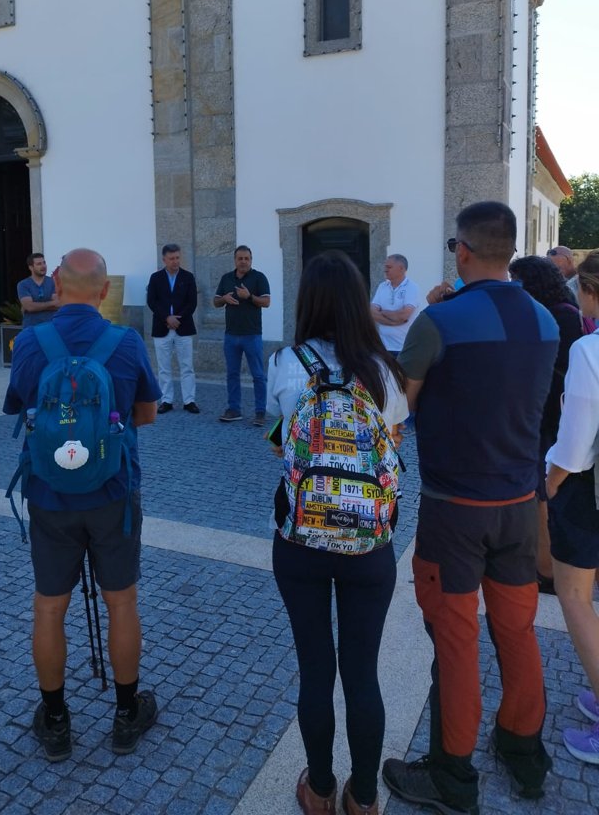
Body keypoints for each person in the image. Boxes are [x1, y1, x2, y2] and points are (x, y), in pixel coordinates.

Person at [383, 202, 559, 813]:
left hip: (455, 508)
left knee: (456, 639)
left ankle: (452, 776)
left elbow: (398, 406)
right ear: (509, 249)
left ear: (462, 249)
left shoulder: (440, 319)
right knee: (517, 629)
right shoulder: (545, 320)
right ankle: (522, 747)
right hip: (518, 501)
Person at [3, 249, 160, 761]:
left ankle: (55, 719)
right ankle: (126, 713)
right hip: (113, 492)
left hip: (49, 494)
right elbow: (148, 414)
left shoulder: (30, 341)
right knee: (122, 601)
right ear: (102, 292)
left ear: (57, 289)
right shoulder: (125, 342)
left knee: (49, 606)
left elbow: (20, 407)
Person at [267, 250, 407, 815]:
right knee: (362, 673)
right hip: (369, 546)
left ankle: (319, 789)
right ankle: (365, 798)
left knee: (315, 668)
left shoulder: (285, 362)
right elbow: (392, 448)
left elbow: (282, 443)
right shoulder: (383, 369)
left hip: (300, 539)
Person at [544, 249, 599, 764]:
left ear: (590, 293)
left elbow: (576, 445)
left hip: (588, 491)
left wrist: (551, 483)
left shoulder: (589, 351)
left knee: (577, 597)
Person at [508, 256, 583, 593]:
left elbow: (563, 371)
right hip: (545, 411)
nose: (513, 287)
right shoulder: (551, 310)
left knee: (543, 491)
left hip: (551, 414)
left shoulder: (561, 314)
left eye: (517, 280)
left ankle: (547, 570)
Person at [214, 245, 270, 425]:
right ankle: (234, 409)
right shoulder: (226, 278)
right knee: (232, 374)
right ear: (235, 260)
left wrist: (249, 296)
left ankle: (260, 412)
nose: (243, 261)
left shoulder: (259, 277)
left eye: (247, 258)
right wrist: (224, 299)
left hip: (252, 335)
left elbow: (266, 302)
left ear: (251, 260)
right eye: (240, 258)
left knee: (258, 375)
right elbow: (215, 301)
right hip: (231, 335)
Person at [146, 244, 199, 413]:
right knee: (164, 367)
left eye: (177, 257)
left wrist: (177, 319)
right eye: (172, 258)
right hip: (162, 328)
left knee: (187, 366)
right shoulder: (155, 278)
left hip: (183, 328)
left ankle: (189, 400)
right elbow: (152, 301)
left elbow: (192, 303)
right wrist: (166, 318)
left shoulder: (188, 277)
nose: (175, 261)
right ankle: (166, 400)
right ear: (164, 259)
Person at [370, 254, 421, 356]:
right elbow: (371, 312)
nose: (385, 270)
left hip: (403, 348)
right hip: (383, 347)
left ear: (401, 269)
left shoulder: (412, 288)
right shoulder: (382, 287)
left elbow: (404, 315)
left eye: (389, 267)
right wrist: (393, 322)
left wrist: (383, 312)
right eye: (385, 267)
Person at [17, 253, 58, 328]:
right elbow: (29, 307)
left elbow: (57, 305)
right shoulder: (23, 284)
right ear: (31, 267)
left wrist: (36, 306)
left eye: (44, 263)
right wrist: (51, 303)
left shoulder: (53, 282)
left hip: (51, 327)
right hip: (31, 328)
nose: (43, 266)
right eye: (39, 264)